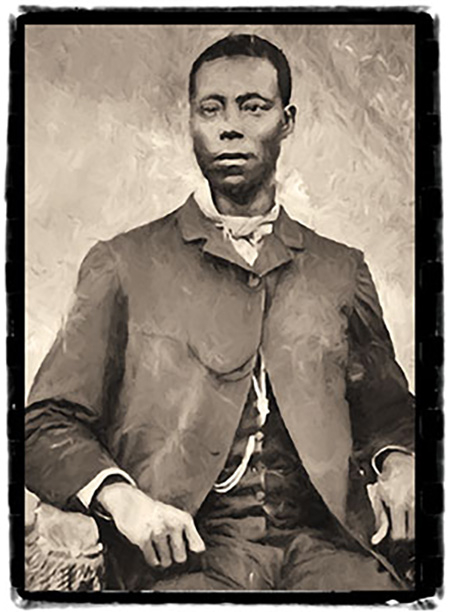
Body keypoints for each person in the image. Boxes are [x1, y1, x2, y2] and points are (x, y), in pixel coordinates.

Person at [25, 33, 415, 591]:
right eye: (212, 109)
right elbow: (44, 423)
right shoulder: (122, 262)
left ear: (288, 121)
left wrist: (401, 458)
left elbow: (389, 410)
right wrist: (124, 500)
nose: (230, 126)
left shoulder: (339, 268)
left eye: (253, 107)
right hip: (184, 559)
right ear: (190, 122)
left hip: (327, 547)